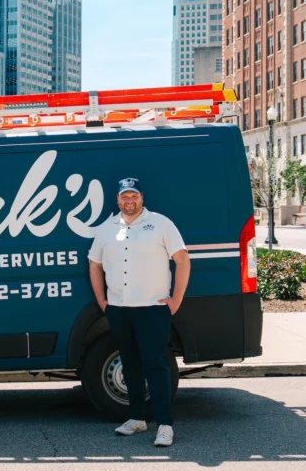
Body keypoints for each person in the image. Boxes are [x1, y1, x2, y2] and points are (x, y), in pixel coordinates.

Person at [87, 178, 190, 447]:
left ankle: (165, 425)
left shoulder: (161, 224)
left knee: (156, 365)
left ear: (141, 197)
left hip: (153, 308)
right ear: (118, 200)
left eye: (133, 196)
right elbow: (94, 264)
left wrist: (176, 299)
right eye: (124, 197)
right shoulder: (107, 229)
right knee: (130, 364)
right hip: (119, 309)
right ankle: (137, 418)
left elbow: (182, 259)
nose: (129, 201)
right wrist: (102, 301)